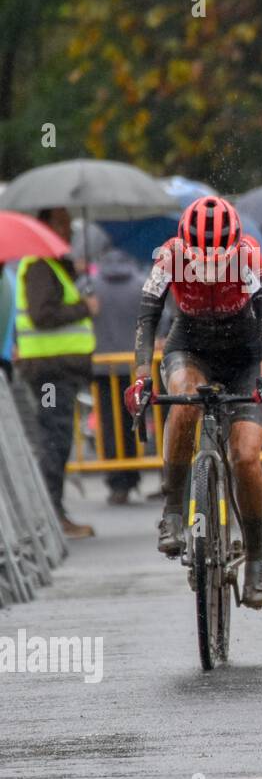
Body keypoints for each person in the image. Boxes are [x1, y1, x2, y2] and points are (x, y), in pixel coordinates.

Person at [125, 196, 262, 607]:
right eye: (203, 255)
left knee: (247, 456)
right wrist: (142, 379)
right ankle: (173, 511)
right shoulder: (170, 256)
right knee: (186, 401)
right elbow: (146, 317)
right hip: (191, 347)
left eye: (220, 255)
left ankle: (255, 557)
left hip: (245, 355)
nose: (212, 263)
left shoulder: (249, 254)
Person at [13, 207, 99, 539]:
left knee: (57, 437)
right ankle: (52, 512)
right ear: (46, 225)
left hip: (57, 371)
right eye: (61, 222)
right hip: (49, 374)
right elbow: (41, 315)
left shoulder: (52, 266)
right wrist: (84, 308)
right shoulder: (38, 266)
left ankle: (53, 510)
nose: (67, 230)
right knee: (53, 437)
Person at [88, 243, 150, 505]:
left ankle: (117, 481)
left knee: (109, 424)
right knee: (135, 420)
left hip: (102, 367)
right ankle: (133, 473)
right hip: (137, 366)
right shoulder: (141, 283)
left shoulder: (90, 286)